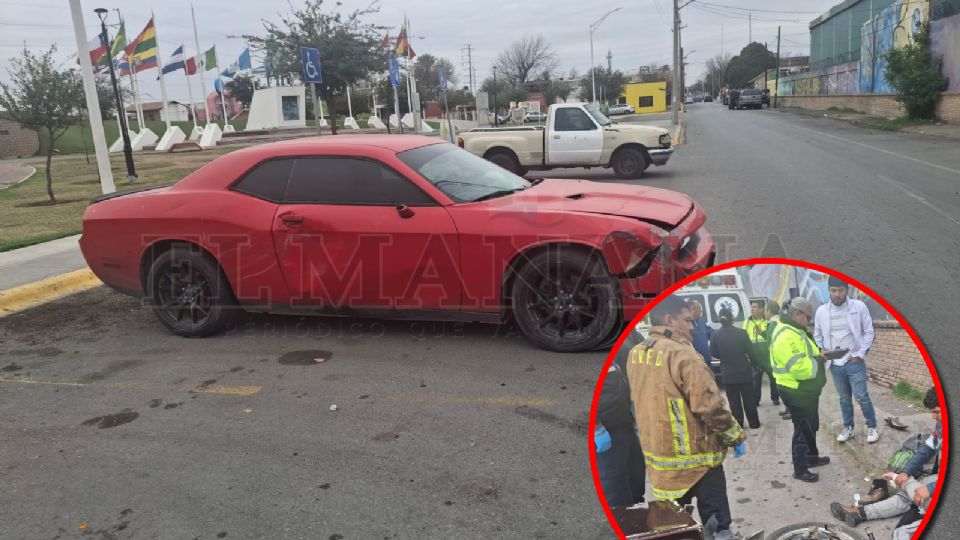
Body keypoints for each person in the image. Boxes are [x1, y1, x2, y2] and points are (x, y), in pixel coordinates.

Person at [626, 295, 746, 540]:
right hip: (698, 460)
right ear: (669, 319)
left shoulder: (635, 354)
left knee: (674, 530)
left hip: (660, 463)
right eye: (687, 320)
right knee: (719, 525)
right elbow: (709, 406)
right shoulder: (683, 355)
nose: (693, 327)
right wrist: (734, 436)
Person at [830, 388, 942, 530]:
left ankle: (908, 485)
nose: (933, 417)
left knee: (920, 495)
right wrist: (905, 472)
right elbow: (927, 449)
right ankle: (859, 513)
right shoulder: (942, 425)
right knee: (908, 495)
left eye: (936, 412)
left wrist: (931, 488)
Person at [770, 297, 830, 482]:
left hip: (805, 390)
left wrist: (820, 353)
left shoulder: (795, 330)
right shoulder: (787, 335)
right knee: (802, 429)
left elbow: (807, 354)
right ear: (797, 314)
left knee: (811, 426)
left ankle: (811, 458)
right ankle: (800, 469)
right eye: (808, 317)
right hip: (796, 390)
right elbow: (800, 368)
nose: (809, 320)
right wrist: (820, 359)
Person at [813, 276, 878, 444]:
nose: (836, 294)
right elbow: (817, 335)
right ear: (829, 291)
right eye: (833, 291)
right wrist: (821, 349)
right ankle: (848, 427)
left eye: (840, 290)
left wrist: (860, 354)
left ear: (846, 290)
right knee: (843, 398)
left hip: (853, 361)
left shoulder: (859, 307)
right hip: (835, 364)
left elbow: (869, 331)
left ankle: (872, 427)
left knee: (862, 396)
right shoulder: (821, 311)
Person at [595, 327, 646, 507]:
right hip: (607, 430)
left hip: (625, 422)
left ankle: (635, 509)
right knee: (615, 486)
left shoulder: (626, 336)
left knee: (636, 476)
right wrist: (596, 427)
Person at [710, 308, 761, 429]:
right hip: (744, 372)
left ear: (720, 320)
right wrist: (756, 365)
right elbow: (751, 352)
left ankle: (739, 424)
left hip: (728, 374)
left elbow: (714, 353)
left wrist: (724, 356)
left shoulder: (715, 335)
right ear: (732, 318)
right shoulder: (742, 333)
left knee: (734, 401)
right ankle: (754, 423)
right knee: (749, 399)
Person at [759, 299, 781, 407]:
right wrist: (763, 333)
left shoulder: (772, 324)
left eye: (765, 310)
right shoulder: (779, 321)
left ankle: (789, 408)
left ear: (769, 311)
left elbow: (771, 343)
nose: (764, 313)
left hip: (776, 359)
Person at [688, 299, 713, 367]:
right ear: (693, 309)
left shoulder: (701, 322)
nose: (701, 310)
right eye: (699, 308)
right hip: (695, 362)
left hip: (707, 360)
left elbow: (711, 332)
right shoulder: (686, 325)